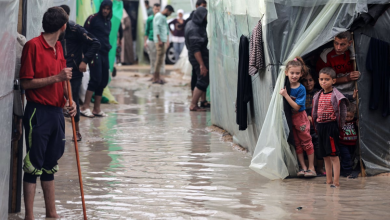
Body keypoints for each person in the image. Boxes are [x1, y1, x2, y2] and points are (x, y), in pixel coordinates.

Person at [19, 7, 77, 220]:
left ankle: (52, 215)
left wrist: (71, 103)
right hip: (38, 112)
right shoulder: (32, 46)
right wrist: (56, 78)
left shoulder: (59, 47)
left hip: (55, 113)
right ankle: (30, 217)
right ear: (63, 26)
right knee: (33, 164)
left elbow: (64, 82)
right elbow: (25, 82)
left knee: (50, 163)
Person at [59, 5, 100, 141]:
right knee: (57, 102)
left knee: (73, 101)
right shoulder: (54, 29)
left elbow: (95, 43)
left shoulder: (76, 29)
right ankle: (58, 133)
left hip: (74, 72)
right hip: (57, 72)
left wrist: (85, 60)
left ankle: (76, 132)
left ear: (68, 16)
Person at [279, 57, 316, 177]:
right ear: (286, 73)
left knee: (306, 141)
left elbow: (296, 107)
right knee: (297, 143)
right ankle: (303, 167)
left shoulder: (301, 89)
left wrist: (285, 95)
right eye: (292, 73)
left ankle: (311, 168)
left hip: (300, 118)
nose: (294, 75)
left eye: (297, 73)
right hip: (291, 119)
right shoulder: (285, 84)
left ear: (301, 74)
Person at [312, 67, 349, 187]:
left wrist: (339, 127)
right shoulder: (318, 95)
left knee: (333, 155)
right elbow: (315, 111)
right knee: (325, 155)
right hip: (321, 126)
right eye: (321, 79)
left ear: (333, 81)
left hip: (331, 127)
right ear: (318, 80)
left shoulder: (336, 95)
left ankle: (336, 182)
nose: (324, 82)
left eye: (327, 79)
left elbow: (342, 113)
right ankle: (328, 180)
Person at [80, 0, 112, 118]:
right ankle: (85, 107)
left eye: (108, 9)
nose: (105, 10)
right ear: (101, 8)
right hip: (94, 53)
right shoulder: (92, 18)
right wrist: (85, 54)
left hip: (104, 53)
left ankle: (97, 109)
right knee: (95, 79)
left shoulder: (108, 22)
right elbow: (84, 34)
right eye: (104, 8)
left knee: (103, 80)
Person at [316, 31, 360, 98]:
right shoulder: (326, 55)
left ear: (349, 43)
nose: (338, 48)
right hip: (334, 92)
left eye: (342, 44)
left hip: (355, 90)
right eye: (336, 43)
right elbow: (323, 80)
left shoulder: (356, 52)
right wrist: (346, 78)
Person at [185, 0, 209, 108]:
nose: (206, 18)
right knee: (202, 78)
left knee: (200, 77)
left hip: (196, 55)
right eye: (204, 15)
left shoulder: (193, 23)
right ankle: (193, 104)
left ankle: (199, 102)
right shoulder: (194, 28)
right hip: (197, 57)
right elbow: (196, 49)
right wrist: (202, 65)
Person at [301, 72, 325, 176]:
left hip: (317, 124)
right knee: (306, 146)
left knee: (319, 146)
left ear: (315, 81)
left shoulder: (319, 93)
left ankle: (319, 168)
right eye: (305, 81)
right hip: (304, 123)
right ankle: (310, 168)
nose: (308, 83)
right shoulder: (301, 93)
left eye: (310, 80)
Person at [153, 5, 175, 84]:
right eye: (170, 12)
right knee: (158, 60)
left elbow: (164, 29)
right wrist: (159, 40)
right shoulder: (159, 16)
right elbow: (157, 28)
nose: (169, 14)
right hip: (160, 41)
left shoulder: (163, 17)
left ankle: (158, 77)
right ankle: (155, 78)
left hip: (162, 40)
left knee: (160, 60)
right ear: (167, 10)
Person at [144, 4, 166, 77]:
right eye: (155, 9)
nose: (156, 11)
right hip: (151, 39)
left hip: (160, 40)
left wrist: (167, 40)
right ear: (153, 9)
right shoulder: (150, 19)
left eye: (158, 9)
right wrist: (145, 42)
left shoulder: (162, 18)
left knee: (161, 57)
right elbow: (146, 31)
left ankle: (161, 72)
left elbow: (166, 29)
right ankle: (153, 71)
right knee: (152, 57)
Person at [339, 102, 358, 177]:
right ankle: (348, 173)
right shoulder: (340, 121)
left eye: (351, 117)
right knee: (346, 157)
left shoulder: (355, 121)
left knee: (350, 158)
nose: (349, 118)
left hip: (353, 143)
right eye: (347, 116)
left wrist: (357, 125)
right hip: (343, 143)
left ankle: (343, 171)